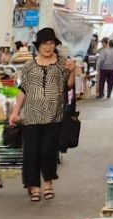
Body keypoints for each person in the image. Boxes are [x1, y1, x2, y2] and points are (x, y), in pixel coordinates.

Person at [9, 26, 71, 202]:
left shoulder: (62, 62)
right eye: (44, 43)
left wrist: (73, 71)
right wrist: (15, 112)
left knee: (48, 152)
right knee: (32, 153)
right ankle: (34, 187)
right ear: (38, 45)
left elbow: (70, 85)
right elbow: (23, 90)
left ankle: (48, 184)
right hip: (31, 116)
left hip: (53, 116)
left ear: (55, 45)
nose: (48, 47)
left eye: (51, 43)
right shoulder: (29, 65)